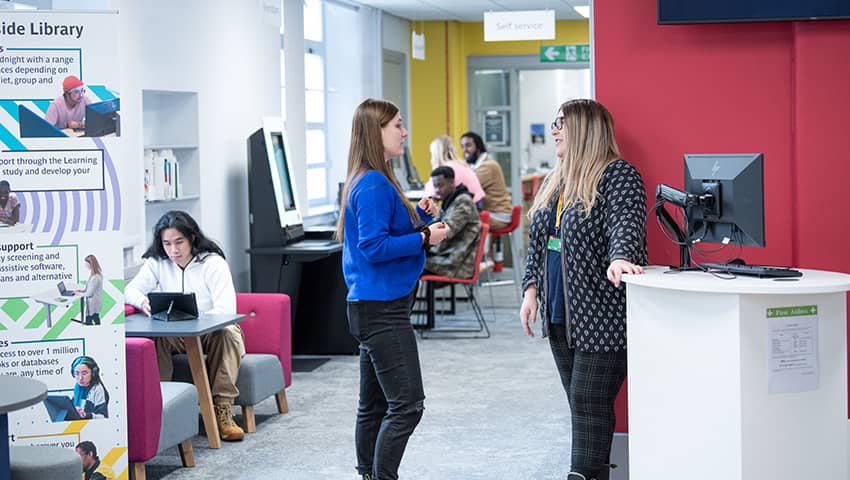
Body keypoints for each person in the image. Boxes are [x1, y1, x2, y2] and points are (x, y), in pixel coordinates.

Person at [519, 99, 648, 480]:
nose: (554, 130)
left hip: (602, 317)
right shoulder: (556, 180)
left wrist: (621, 256)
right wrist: (531, 291)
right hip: (560, 315)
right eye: (554, 123)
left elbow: (626, 221)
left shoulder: (617, 175)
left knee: (588, 401)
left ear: (587, 130)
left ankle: (583, 474)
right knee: (581, 404)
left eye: (562, 123)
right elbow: (539, 242)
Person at [336, 98, 448, 480]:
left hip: (373, 306)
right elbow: (373, 247)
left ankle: (369, 474)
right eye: (398, 125)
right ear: (376, 131)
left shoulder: (374, 179)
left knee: (374, 405)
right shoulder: (372, 184)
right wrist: (424, 238)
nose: (404, 132)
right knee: (407, 405)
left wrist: (418, 216)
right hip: (381, 310)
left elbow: (379, 233)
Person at [125, 210, 246, 441]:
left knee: (229, 333)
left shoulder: (212, 263)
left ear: (192, 238)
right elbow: (130, 290)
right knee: (156, 336)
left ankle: (222, 409)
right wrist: (143, 302)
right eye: (167, 243)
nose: (174, 250)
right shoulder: (157, 263)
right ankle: (161, 408)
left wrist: (195, 321)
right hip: (176, 335)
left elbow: (226, 309)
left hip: (211, 331)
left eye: (179, 242)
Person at [423, 166, 481, 278]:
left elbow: (446, 231)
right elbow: (433, 224)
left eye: (440, 186)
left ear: (452, 183)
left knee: (409, 263)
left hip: (456, 264)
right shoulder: (449, 201)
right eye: (435, 187)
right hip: (446, 255)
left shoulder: (463, 202)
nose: (438, 190)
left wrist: (421, 234)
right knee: (409, 260)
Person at [460, 131, 513, 229]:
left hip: (498, 215)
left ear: (478, 147)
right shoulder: (476, 165)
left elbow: (467, 188)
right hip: (492, 212)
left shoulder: (487, 166)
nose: (464, 150)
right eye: (462, 146)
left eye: (468, 146)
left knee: (459, 222)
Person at [423, 135, 485, 208]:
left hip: (465, 209)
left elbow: (430, 194)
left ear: (436, 154)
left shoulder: (444, 169)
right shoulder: (463, 165)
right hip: (477, 206)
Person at [76, 254, 103, 325]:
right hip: (94, 303)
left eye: (86, 264)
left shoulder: (95, 278)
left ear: (91, 264)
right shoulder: (95, 274)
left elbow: (89, 294)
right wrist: (82, 291)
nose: (85, 265)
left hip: (93, 304)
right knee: (95, 317)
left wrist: (79, 294)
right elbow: (90, 288)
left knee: (90, 319)